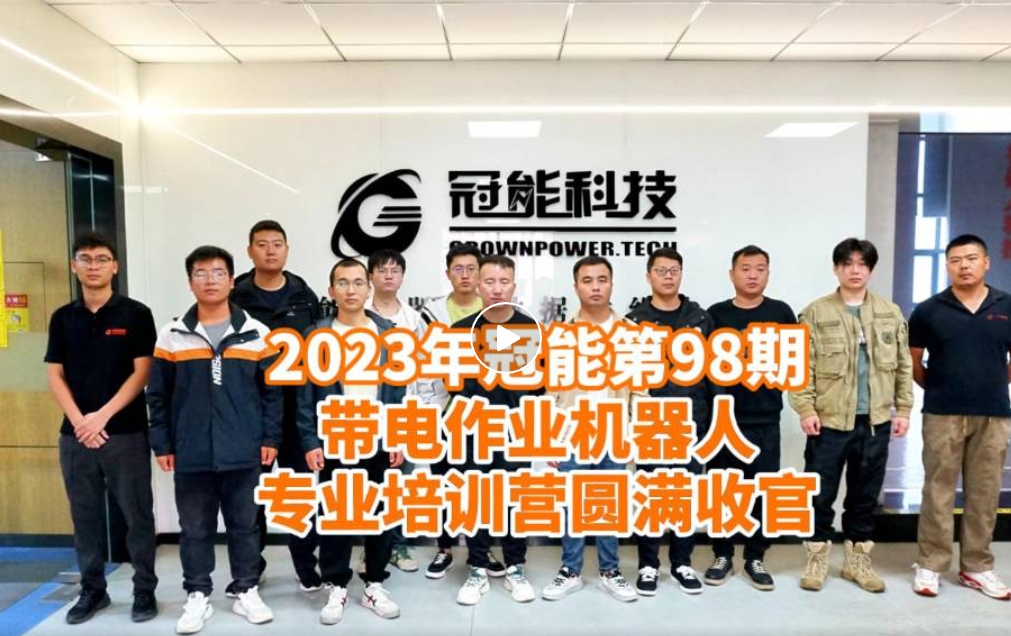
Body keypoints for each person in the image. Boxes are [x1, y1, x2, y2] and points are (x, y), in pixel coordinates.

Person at [148, 246, 281, 634]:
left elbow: (272, 393)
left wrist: (270, 437)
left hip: (244, 449)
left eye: (219, 273)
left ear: (231, 280)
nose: (210, 280)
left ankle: (246, 589)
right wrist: (162, 444)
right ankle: (197, 595)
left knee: (245, 526)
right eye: (201, 274)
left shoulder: (256, 333)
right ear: (190, 282)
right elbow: (157, 395)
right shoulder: (172, 335)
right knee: (195, 529)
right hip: (191, 451)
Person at [45, 233, 158, 624]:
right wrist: (81, 421)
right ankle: (93, 590)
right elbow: (55, 374)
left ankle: (144, 589)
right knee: (84, 516)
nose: (93, 266)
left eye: (102, 259)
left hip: (125, 432)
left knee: (138, 515)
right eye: (86, 259)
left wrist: (101, 416)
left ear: (115, 266)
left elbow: (142, 372)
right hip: (75, 436)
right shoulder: (62, 318)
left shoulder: (136, 314)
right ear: (74, 265)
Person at [789, 238, 912, 593]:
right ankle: (816, 558)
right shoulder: (815, 312)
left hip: (875, 421)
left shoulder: (890, 312)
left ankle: (857, 561)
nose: (854, 270)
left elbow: (903, 365)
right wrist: (805, 408)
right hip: (828, 422)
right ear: (836, 269)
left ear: (870, 269)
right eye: (847, 263)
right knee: (820, 494)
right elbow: (801, 367)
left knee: (864, 495)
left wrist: (903, 409)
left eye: (862, 264)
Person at [298, 258, 405, 625]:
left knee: (381, 515)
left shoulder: (387, 333)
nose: (351, 290)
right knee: (336, 517)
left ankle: (374, 583)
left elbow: (398, 390)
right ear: (331, 291)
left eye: (358, 282)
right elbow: (304, 394)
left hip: (378, 437)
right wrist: (310, 440)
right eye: (343, 283)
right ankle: (337, 585)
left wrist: (397, 434)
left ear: (368, 288)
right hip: (335, 438)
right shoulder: (316, 336)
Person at [909, 234, 1011, 600]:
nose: (963, 266)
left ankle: (976, 567)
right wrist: (941, 387)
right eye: (955, 260)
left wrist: (992, 382)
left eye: (971, 258)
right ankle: (931, 565)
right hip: (942, 412)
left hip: (994, 413)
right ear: (947, 266)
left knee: (984, 492)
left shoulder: (1007, 305)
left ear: (986, 262)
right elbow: (914, 362)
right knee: (938, 490)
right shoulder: (928, 310)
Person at [231, 220, 322, 595]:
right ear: (249, 251)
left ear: (287, 249)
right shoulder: (235, 296)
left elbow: (317, 358)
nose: (270, 251)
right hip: (250, 416)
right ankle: (251, 569)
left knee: (299, 493)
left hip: (297, 414)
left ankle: (305, 566)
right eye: (262, 244)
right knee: (250, 499)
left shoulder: (304, 296)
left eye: (277, 244)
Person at [540, 256, 638, 603]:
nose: (595, 287)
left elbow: (640, 390)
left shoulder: (630, 332)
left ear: (611, 284)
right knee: (572, 503)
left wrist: (634, 434)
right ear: (576, 286)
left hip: (615, 430)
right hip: (573, 431)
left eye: (602, 279)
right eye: (587, 280)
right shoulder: (561, 333)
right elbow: (551, 390)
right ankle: (571, 571)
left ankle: (610, 571)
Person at [703, 245, 796, 592]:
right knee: (722, 490)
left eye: (760, 268)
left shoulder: (781, 313)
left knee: (762, 491)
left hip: (765, 419)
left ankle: (755, 556)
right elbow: (704, 370)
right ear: (732, 274)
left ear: (768, 274)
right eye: (745, 268)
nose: (753, 275)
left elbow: (794, 363)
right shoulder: (715, 314)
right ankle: (722, 554)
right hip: (723, 420)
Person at [453, 255, 543, 606]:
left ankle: (515, 567)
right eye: (489, 281)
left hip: (516, 432)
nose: (496, 288)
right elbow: (454, 386)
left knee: (514, 501)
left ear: (514, 286)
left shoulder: (529, 329)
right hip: (473, 431)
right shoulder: (461, 331)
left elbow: (539, 387)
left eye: (504, 282)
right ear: (478, 285)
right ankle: (477, 568)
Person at [626, 247, 717, 596]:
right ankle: (648, 565)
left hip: (692, 422)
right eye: (660, 270)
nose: (668, 276)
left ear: (681, 274)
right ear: (648, 276)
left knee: (685, 495)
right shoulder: (634, 321)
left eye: (674, 270)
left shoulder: (700, 318)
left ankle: (681, 563)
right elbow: (627, 378)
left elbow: (713, 375)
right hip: (650, 422)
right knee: (649, 495)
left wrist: (713, 422)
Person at [419, 244, 507, 580]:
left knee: (483, 487)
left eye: (472, 269)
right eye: (459, 269)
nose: (466, 275)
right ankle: (444, 548)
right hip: (444, 412)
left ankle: (480, 552)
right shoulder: (431, 313)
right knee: (446, 483)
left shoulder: (498, 312)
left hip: (485, 416)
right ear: (448, 274)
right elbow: (423, 366)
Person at [364, 248, 449, 573]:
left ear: (402, 277)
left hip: (405, 413)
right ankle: (370, 549)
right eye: (381, 270)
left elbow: (425, 370)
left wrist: (426, 409)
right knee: (367, 483)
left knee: (398, 482)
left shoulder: (414, 319)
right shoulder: (360, 315)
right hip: (366, 412)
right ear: (370, 276)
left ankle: (396, 546)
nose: (388, 276)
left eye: (394, 271)